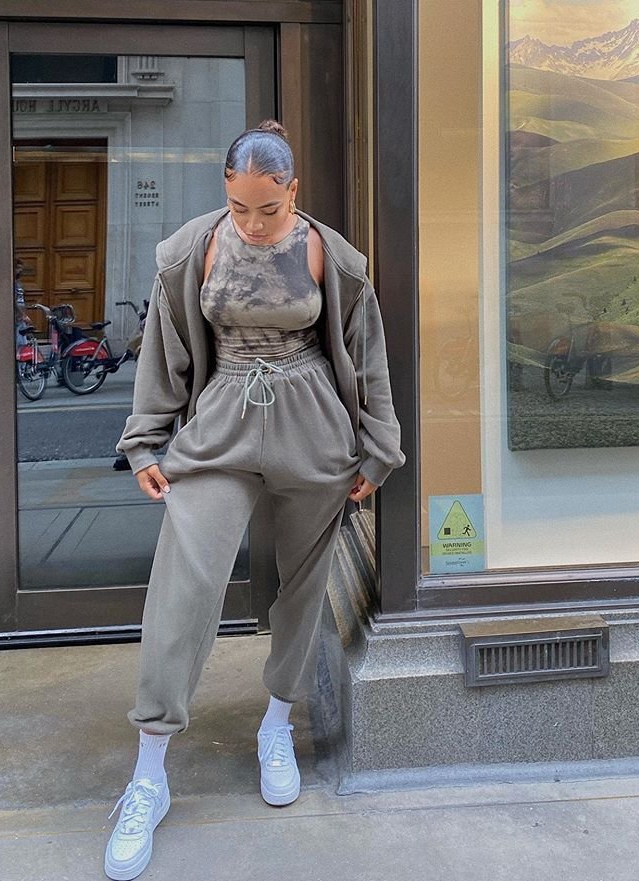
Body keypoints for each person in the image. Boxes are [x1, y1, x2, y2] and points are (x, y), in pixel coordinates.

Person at [106, 119, 405, 881]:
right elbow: (167, 346)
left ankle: (278, 720)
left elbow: (365, 355)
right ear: (227, 193)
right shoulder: (193, 249)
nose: (253, 223)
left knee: (303, 585)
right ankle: (149, 771)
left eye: (267, 209)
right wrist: (145, 439)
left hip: (313, 426)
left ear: (292, 192)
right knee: (187, 582)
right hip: (221, 425)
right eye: (240, 207)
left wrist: (377, 446)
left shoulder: (328, 254)